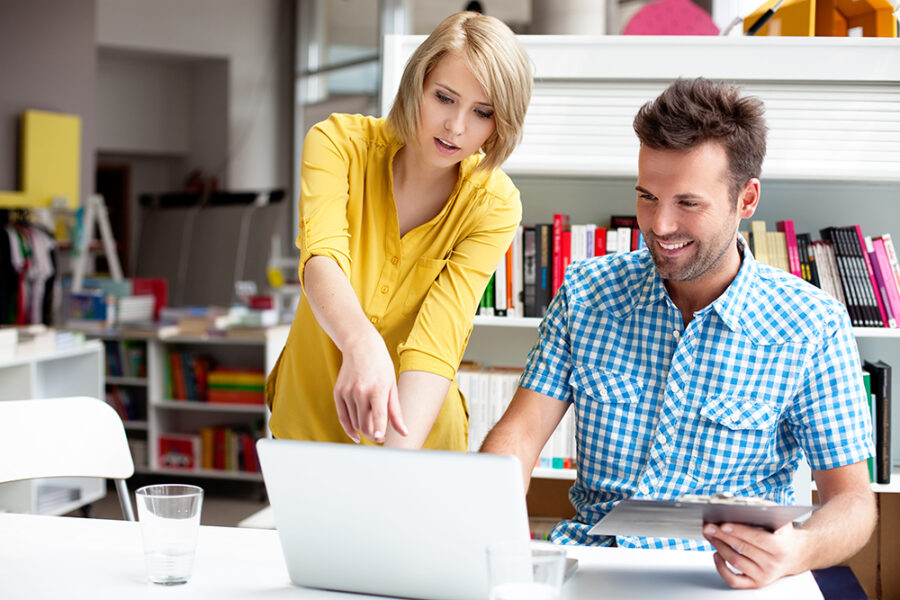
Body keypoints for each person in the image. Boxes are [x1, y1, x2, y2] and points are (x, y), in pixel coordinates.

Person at [480, 78, 876, 589]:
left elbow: (853, 502)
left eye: (688, 203)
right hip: (596, 564)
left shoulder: (812, 325)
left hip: (724, 577)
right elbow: (521, 434)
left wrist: (798, 548)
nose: (660, 225)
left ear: (746, 198)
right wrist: (487, 525)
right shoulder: (585, 293)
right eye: (648, 196)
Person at [266, 11, 532, 450]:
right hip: (309, 422)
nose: (457, 127)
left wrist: (394, 467)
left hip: (417, 434)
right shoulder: (336, 145)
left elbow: (438, 337)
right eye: (444, 98)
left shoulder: (494, 204)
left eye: (482, 112)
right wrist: (361, 343)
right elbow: (322, 258)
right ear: (417, 84)